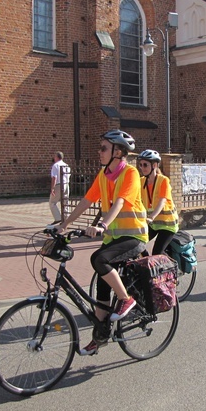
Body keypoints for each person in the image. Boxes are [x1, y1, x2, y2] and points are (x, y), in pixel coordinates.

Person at [57, 130, 148, 355]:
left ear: (118, 152)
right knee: (102, 283)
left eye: (103, 148)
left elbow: (119, 203)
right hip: (114, 238)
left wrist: (102, 225)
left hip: (134, 237)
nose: (99, 152)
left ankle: (126, 299)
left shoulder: (130, 173)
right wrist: (64, 223)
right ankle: (100, 335)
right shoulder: (104, 175)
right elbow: (87, 200)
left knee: (98, 259)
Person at [137, 149, 179, 254]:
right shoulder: (141, 181)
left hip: (168, 225)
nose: (142, 168)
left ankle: (168, 268)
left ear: (154, 165)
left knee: (157, 252)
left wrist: (151, 217)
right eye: (140, 165)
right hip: (153, 224)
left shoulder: (163, 180)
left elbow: (162, 201)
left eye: (145, 165)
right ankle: (149, 265)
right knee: (137, 244)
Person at [49, 151, 70, 223]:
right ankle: (66, 219)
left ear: (57, 157)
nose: (54, 158)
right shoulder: (66, 165)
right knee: (65, 202)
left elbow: (54, 177)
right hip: (66, 184)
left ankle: (58, 218)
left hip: (59, 184)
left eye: (54, 156)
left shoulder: (55, 165)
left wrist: (52, 188)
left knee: (52, 202)